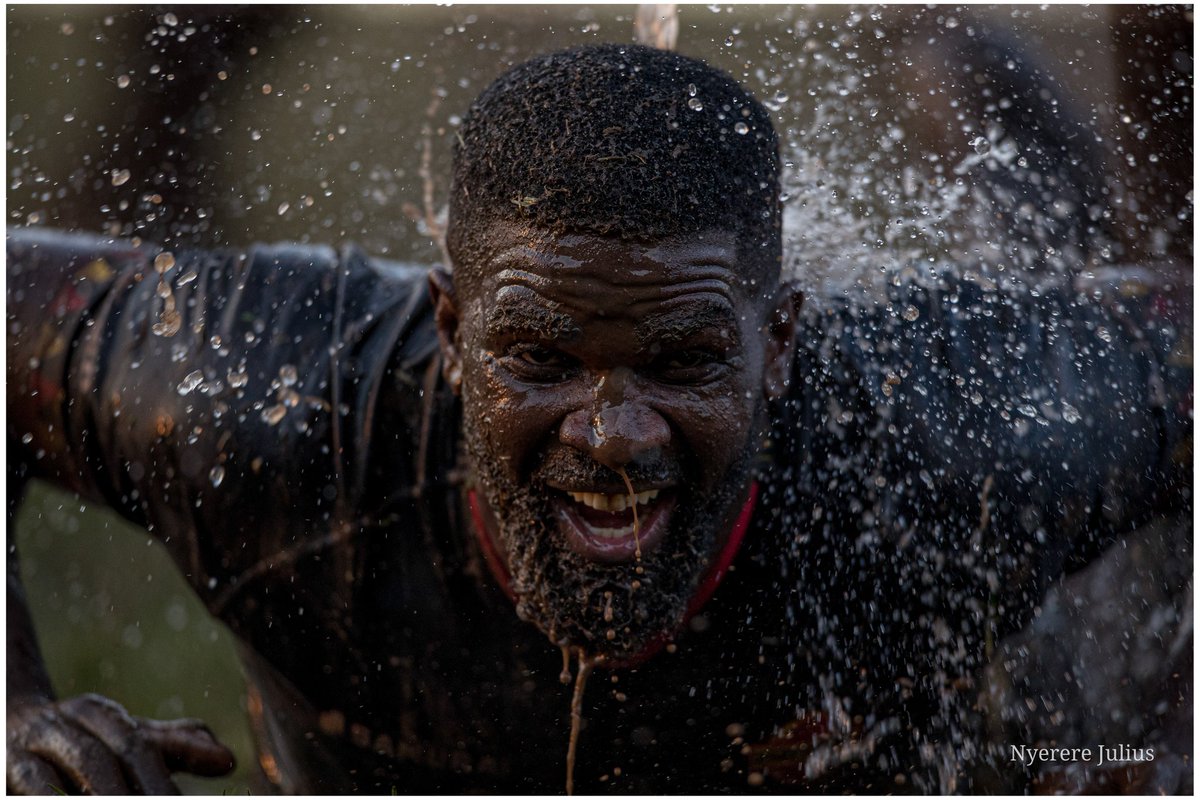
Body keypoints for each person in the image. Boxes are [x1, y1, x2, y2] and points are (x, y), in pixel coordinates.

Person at [7, 42, 1191, 794]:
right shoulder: (273, 407)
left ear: (776, 343)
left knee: (1073, 644)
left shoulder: (943, 436)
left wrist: (1169, 741)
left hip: (987, 694)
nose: (613, 434)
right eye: (541, 359)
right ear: (454, 331)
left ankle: (1032, 195)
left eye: (682, 362)